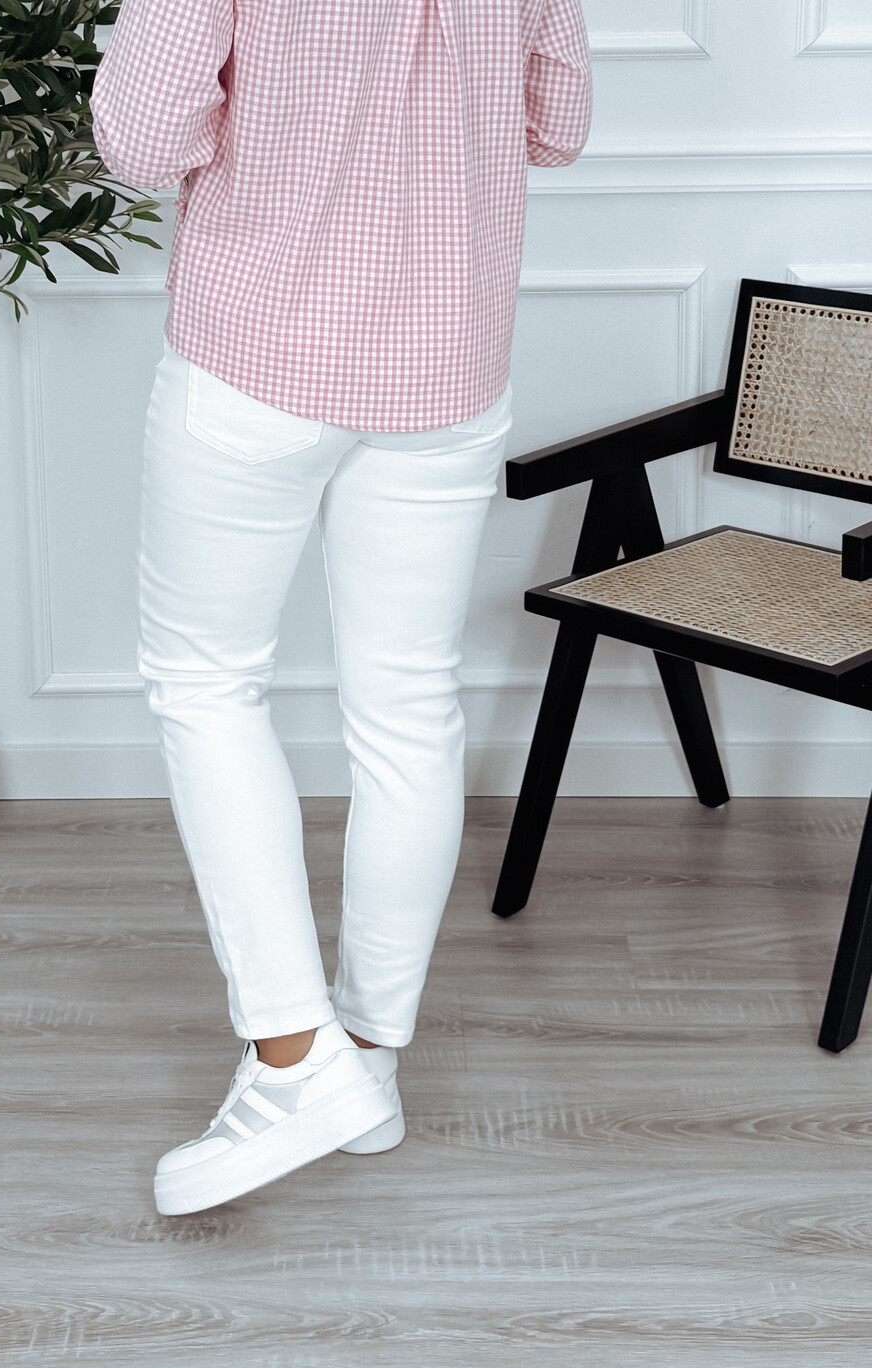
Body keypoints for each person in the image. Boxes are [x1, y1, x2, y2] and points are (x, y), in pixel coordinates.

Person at [89, 0, 592, 1217]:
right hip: (448, 367)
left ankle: (293, 1065)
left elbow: (141, 140)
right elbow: (557, 122)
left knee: (207, 685)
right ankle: (368, 1058)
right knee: (410, 705)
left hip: (256, 362)